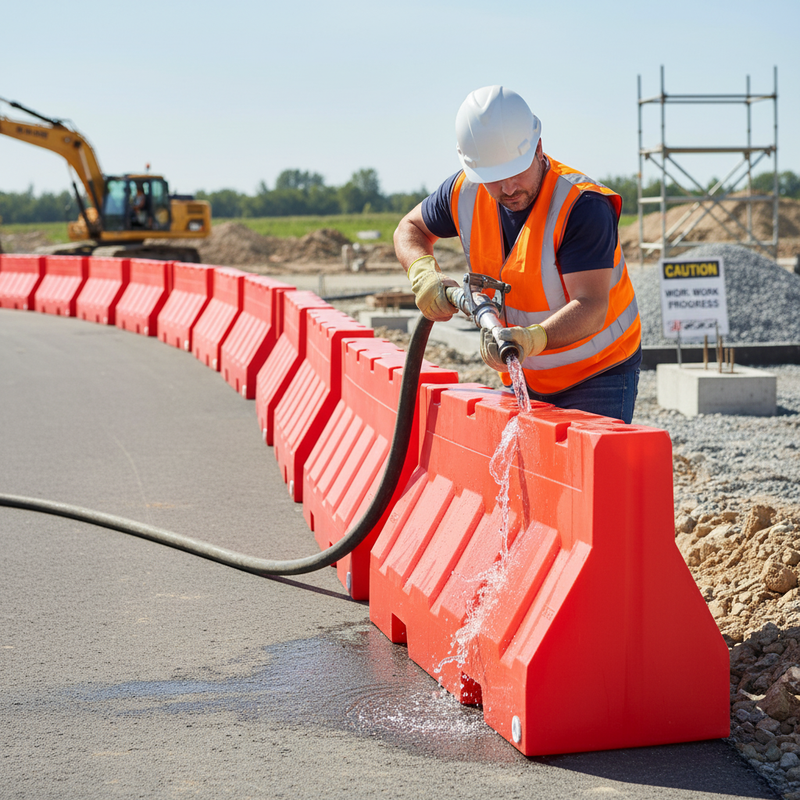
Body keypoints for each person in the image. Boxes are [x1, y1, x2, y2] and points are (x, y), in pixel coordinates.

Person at [394, 85, 641, 423]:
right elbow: (409, 229)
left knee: (583, 475)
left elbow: (592, 306)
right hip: (523, 368)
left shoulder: (582, 205)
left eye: (516, 172)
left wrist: (531, 338)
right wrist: (423, 273)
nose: (508, 188)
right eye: (494, 178)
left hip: (597, 372)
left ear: (539, 148)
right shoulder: (465, 192)